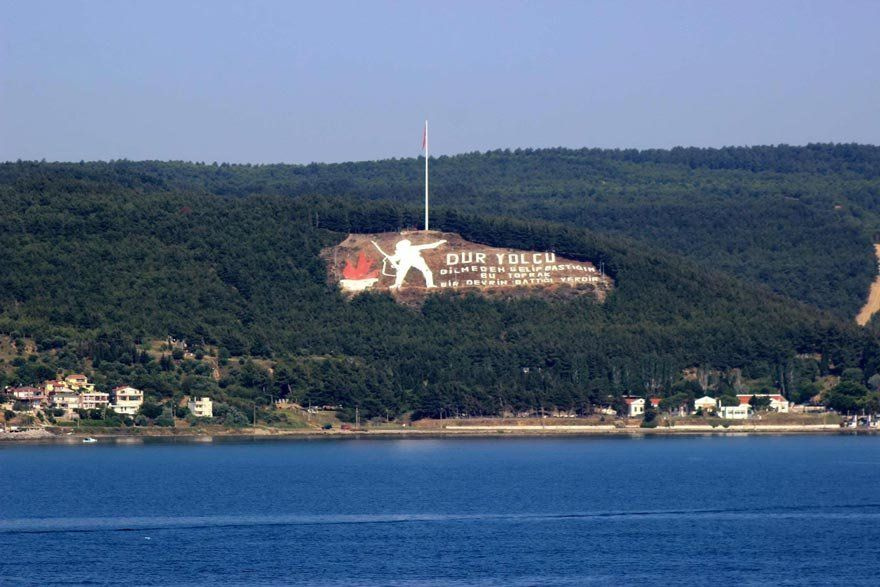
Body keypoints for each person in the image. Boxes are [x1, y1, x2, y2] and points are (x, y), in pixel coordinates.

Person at [373, 238, 446, 289]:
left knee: (427, 271)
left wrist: (439, 242)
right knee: (400, 273)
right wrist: (392, 260)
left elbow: (429, 246)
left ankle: (430, 284)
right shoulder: (400, 252)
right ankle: (397, 284)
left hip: (417, 260)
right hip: (405, 261)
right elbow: (394, 259)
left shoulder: (413, 248)